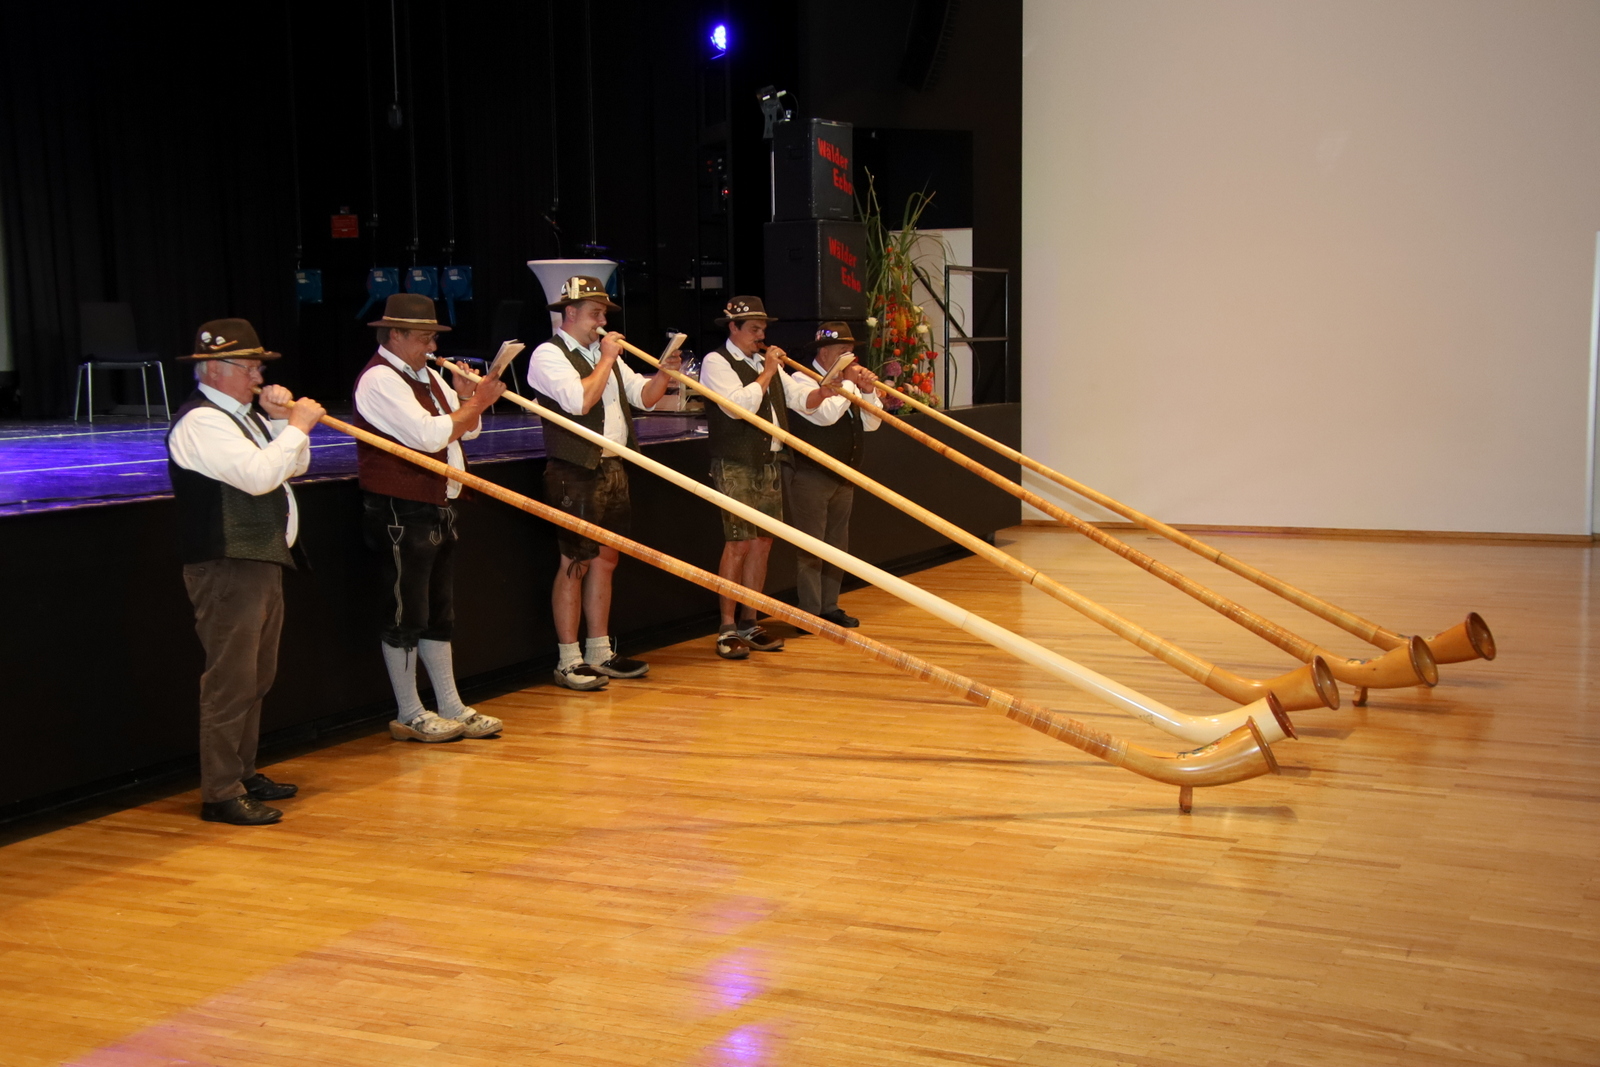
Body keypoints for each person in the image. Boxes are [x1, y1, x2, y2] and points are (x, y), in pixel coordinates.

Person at [167, 318, 325, 825]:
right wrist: (297, 426)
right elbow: (259, 477)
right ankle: (220, 791)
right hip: (227, 564)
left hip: (259, 558)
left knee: (256, 676)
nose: (259, 376)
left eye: (259, 366)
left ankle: (242, 772)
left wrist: (280, 424)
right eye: (250, 366)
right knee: (230, 681)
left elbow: (292, 467)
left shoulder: (241, 416)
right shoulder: (202, 421)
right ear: (215, 368)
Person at [352, 293, 507, 741]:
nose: (432, 347)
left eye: (434, 338)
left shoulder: (428, 375)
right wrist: (476, 403)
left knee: (439, 613)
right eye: (424, 338)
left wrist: (467, 399)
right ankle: (409, 712)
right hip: (399, 508)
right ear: (395, 335)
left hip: (437, 503)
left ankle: (451, 705)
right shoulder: (379, 379)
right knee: (406, 613)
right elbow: (429, 436)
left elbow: (466, 431)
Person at [526, 275, 681, 691]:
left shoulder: (602, 354)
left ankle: (599, 651)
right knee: (574, 563)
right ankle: (568, 660)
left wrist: (663, 374)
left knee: (606, 561)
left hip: (613, 465)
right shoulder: (548, 354)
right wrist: (608, 359)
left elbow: (644, 397)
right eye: (595, 313)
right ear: (570, 312)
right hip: (574, 468)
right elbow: (580, 401)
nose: (602, 322)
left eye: (604, 314)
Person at [697, 296, 824, 659]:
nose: (761, 335)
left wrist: (824, 391)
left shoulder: (762, 362)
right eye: (754, 329)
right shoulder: (716, 361)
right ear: (733, 328)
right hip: (735, 461)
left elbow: (800, 399)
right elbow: (738, 408)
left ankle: (750, 621)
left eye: (763, 329)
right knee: (738, 543)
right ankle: (726, 627)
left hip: (769, 461)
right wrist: (767, 371)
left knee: (762, 543)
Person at [783, 322, 882, 627]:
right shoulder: (801, 379)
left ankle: (830, 607)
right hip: (810, 475)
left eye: (851, 352)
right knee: (811, 548)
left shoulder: (846, 383)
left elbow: (872, 424)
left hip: (843, 476)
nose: (850, 359)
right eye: (843, 351)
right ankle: (810, 612)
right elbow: (825, 416)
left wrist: (869, 392)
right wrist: (850, 384)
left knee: (837, 546)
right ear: (824, 352)